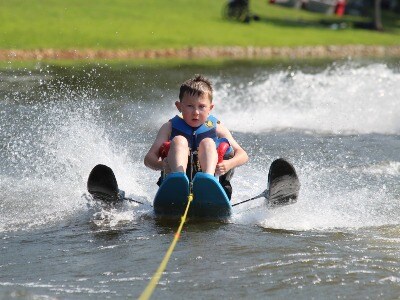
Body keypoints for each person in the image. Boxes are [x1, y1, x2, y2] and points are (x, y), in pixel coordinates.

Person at [144, 75, 248, 199]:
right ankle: (178, 181)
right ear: (179, 106)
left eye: (202, 106)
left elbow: (243, 155)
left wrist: (229, 164)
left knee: (208, 142)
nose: (196, 112)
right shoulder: (169, 127)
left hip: (214, 185)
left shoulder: (217, 127)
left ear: (210, 108)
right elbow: (149, 158)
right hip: (175, 190)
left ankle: (208, 183)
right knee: (179, 141)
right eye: (190, 106)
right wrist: (161, 165)